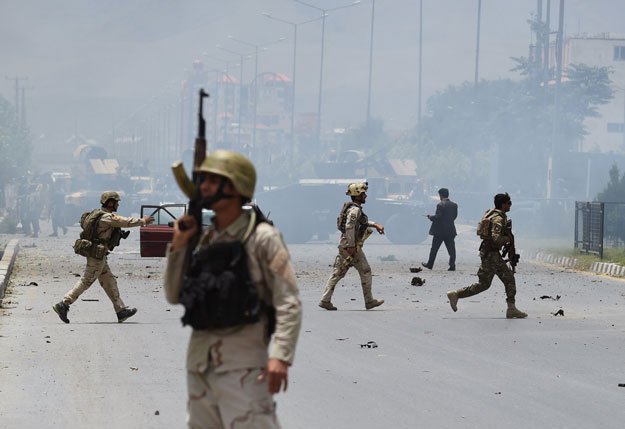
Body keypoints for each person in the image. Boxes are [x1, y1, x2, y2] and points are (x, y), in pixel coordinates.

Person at [164, 150, 302, 428]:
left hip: (243, 367)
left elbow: (288, 301)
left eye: (214, 181)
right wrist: (178, 247)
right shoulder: (205, 239)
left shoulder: (263, 238)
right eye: (204, 180)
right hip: (200, 365)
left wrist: (281, 357)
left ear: (237, 187)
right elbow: (174, 294)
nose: (203, 187)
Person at [52, 191, 154, 324]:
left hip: (98, 253)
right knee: (86, 280)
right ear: (110, 203)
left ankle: (120, 310)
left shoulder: (97, 214)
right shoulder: (106, 217)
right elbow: (125, 222)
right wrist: (143, 221)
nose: (118, 204)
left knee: (109, 281)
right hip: (97, 255)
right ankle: (64, 303)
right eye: (116, 202)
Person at [446, 192, 527, 319]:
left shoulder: (491, 213)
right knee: (486, 284)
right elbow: (496, 239)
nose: (510, 205)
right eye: (509, 203)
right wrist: (508, 239)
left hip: (490, 253)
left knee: (507, 279)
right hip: (491, 255)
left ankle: (511, 308)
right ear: (503, 204)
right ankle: (456, 294)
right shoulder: (498, 219)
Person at [319, 181, 385, 311]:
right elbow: (350, 226)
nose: (365, 196)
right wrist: (351, 246)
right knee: (365, 271)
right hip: (351, 247)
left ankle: (325, 300)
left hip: (345, 245)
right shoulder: (354, 210)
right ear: (358, 195)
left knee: (338, 273)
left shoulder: (353, 209)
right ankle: (369, 301)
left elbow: (361, 223)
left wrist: (375, 224)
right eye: (363, 194)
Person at [422, 187, 458, 271]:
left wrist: (430, 217)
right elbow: (454, 216)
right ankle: (452, 265)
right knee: (451, 249)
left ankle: (430, 264)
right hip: (450, 231)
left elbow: (438, 217)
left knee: (434, 249)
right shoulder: (454, 205)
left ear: (441, 195)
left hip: (439, 232)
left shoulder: (440, 205)